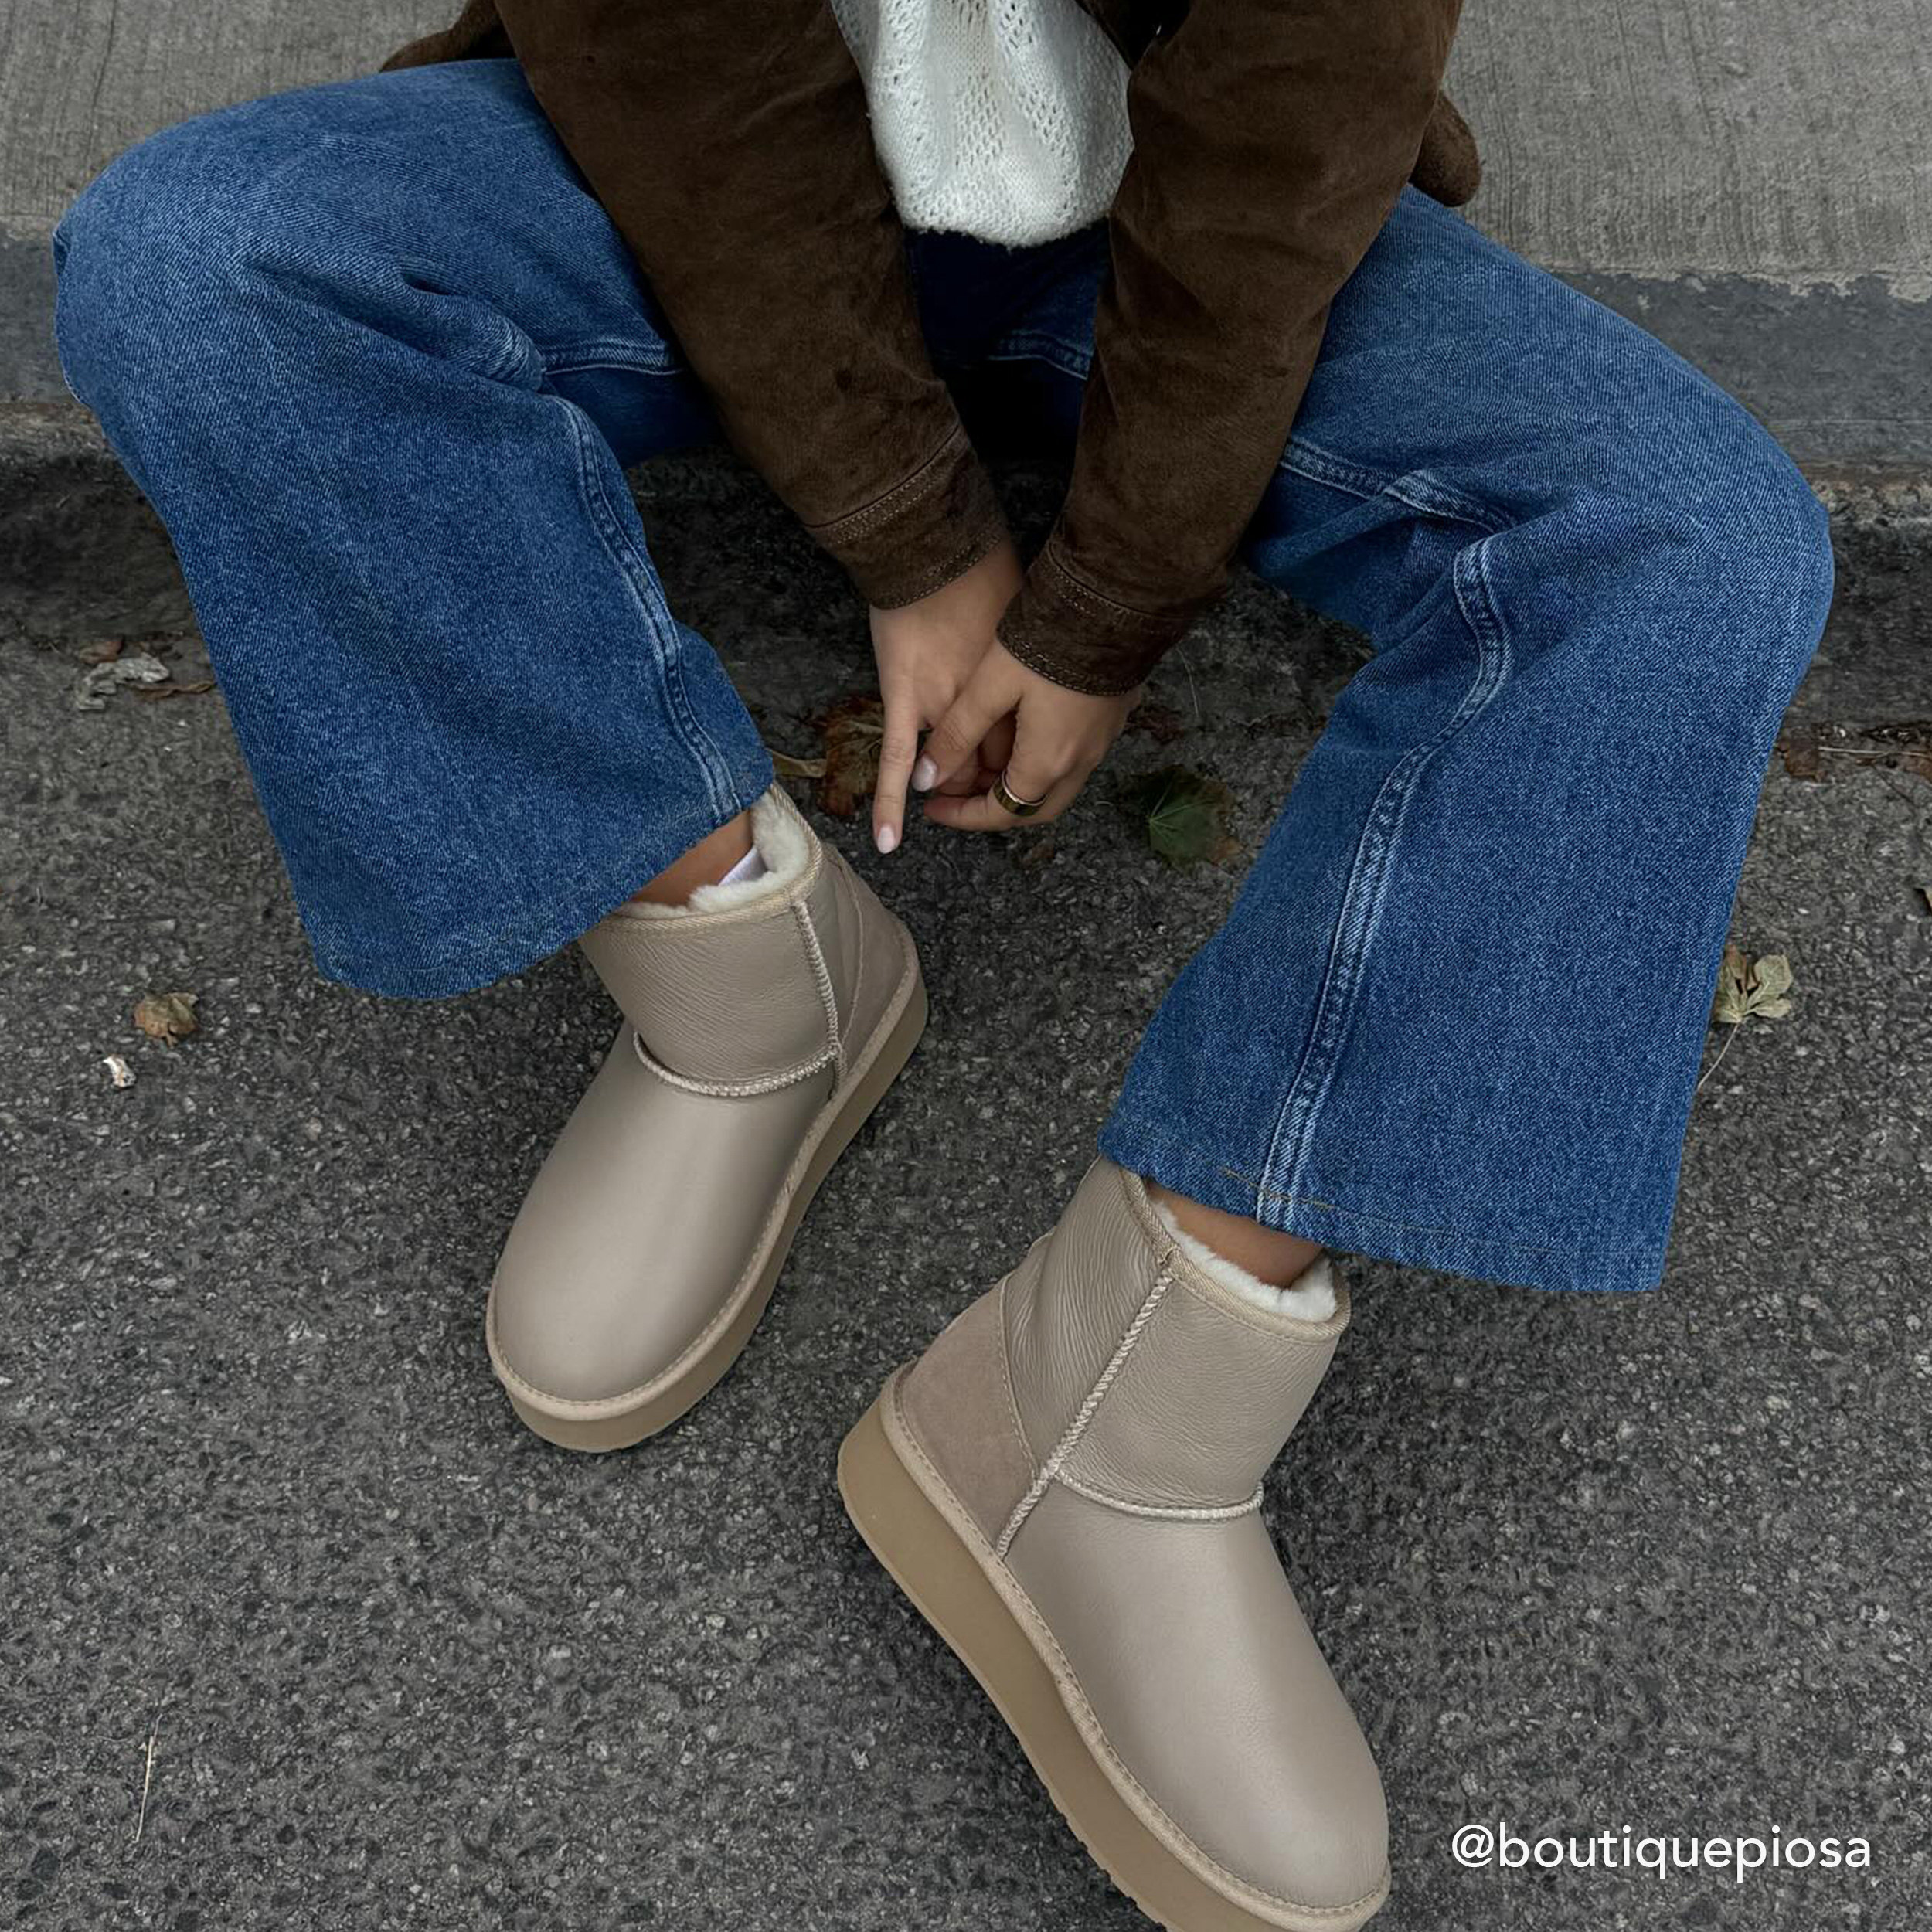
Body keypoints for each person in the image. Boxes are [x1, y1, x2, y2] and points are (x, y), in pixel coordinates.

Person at [49, 2, 1833, 1924]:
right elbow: (659, 49)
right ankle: (744, 983)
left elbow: (1292, 98)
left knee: (1691, 544)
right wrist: (909, 534)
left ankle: (1120, 1402)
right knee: (204, 263)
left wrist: (1101, 607)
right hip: (705, 192)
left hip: (1181, 223)